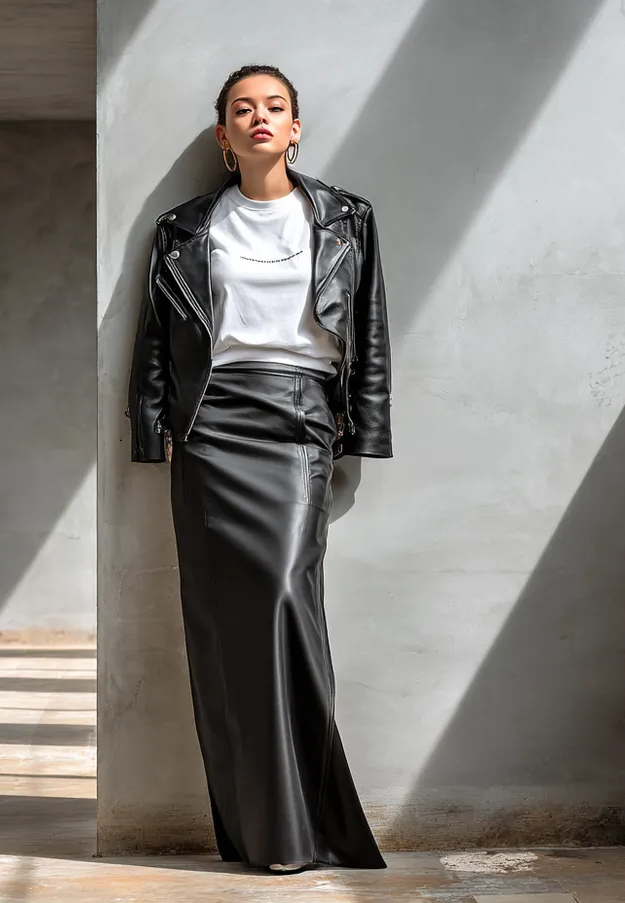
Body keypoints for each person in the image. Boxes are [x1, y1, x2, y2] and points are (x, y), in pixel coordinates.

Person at [126, 64, 392, 874]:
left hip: (301, 420)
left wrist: (365, 431)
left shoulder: (347, 217)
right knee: (222, 632)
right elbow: (153, 339)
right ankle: (264, 832)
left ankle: (308, 818)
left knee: (284, 600)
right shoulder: (182, 228)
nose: (260, 118)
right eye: (243, 109)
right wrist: (152, 426)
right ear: (223, 135)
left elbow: (370, 330)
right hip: (210, 428)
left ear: (296, 126)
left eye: (275, 106)